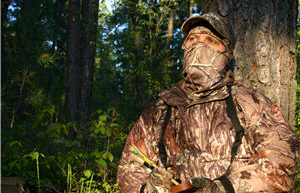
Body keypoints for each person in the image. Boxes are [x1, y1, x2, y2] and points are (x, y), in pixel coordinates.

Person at [117, 12, 299, 193]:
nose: (199, 45)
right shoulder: (160, 109)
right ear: (184, 47)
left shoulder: (249, 102)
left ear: (227, 53)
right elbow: (130, 166)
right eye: (192, 39)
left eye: (210, 40)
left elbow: (282, 157)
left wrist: (225, 188)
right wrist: (147, 189)